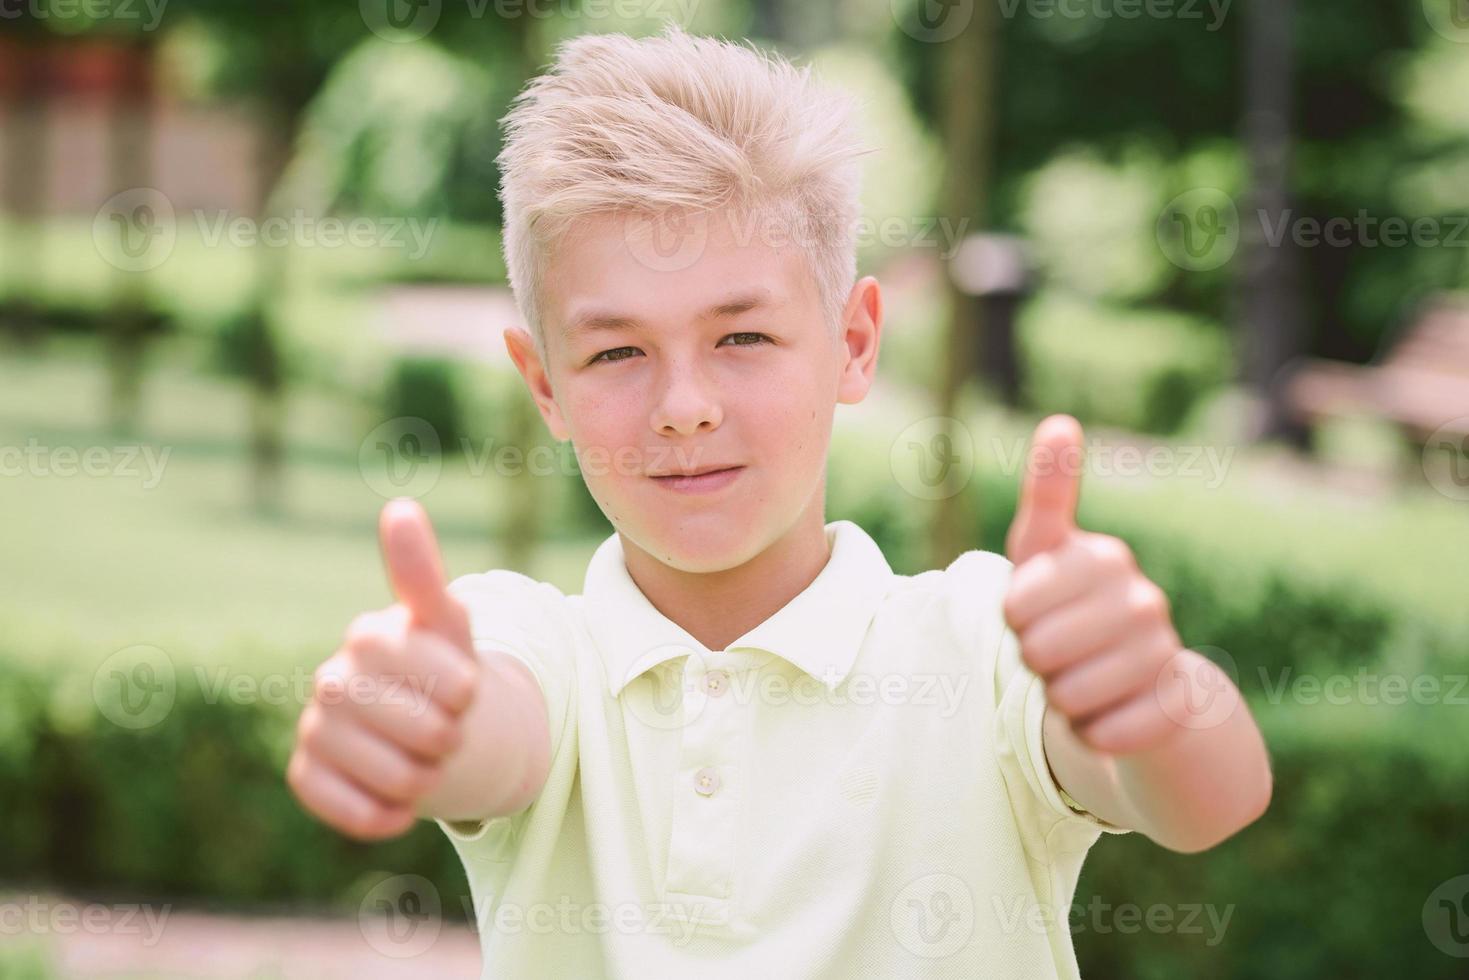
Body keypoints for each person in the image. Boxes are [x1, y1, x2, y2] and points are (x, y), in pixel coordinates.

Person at [285, 22, 1272, 978]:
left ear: (852, 343)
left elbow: (1208, 801)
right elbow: (486, 726)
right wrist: (422, 717)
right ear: (543, 384)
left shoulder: (981, 642)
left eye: (741, 338)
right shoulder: (532, 648)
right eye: (616, 351)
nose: (682, 407)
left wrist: (1146, 697)